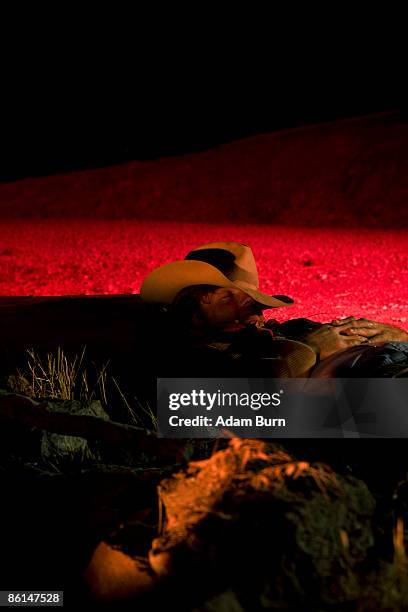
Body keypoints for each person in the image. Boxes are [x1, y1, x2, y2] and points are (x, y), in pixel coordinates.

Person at [140, 241, 408, 378]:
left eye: (250, 299)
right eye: (225, 297)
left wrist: (392, 334)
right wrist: (311, 350)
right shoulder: (178, 358)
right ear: (193, 305)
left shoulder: (282, 330)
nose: (250, 308)